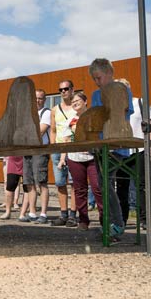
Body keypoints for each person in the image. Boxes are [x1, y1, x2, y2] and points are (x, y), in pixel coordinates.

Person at [88, 58, 132, 240]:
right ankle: (110, 223)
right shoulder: (95, 95)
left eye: (99, 78)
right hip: (101, 145)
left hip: (117, 144)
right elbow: (94, 117)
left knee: (106, 182)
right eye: (94, 79)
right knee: (102, 184)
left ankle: (117, 222)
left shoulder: (122, 90)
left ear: (109, 73)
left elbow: (124, 113)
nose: (97, 82)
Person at [114, 78, 151, 229]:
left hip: (140, 148)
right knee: (122, 185)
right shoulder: (115, 106)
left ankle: (144, 219)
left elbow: (149, 125)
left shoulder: (140, 103)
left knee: (141, 185)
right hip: (122, 150)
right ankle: (122, 219)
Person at [59, 93, 103, 230]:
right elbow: (66, 141)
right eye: (73, 102)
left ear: (85, 101)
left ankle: (105, 220)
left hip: (92, 158)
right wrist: (62, 158)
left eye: (77, 100)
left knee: (97, 188)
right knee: (79, 190)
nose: (75, 103)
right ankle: (83, 221)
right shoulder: (70, 120)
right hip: (75, 158)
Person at [19, 89, 51, 224]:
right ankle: (32, 212)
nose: (37, 101)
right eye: (35, 98)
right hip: (27, 150)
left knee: (41, 182)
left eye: (40, 98)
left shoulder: (46, 113)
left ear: (44, 100)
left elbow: (40, 131)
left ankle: (43, 213)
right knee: (29, 182)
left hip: (39, 150)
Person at [49, 79, 78, 227]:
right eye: (60, 90)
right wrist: (53, 147)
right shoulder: (54, 109)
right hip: (58, 149)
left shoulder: (77, 107)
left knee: (74, 183)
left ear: (72, 89)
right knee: (60, 183)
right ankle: (63, 214)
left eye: (66, 89)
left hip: (73, 149)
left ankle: (73, 215)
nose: (63, 92)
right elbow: (53, 130)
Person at [1, 155, 23, 220]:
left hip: (26, 159)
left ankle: (23, 213)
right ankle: (7, 212)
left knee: (27, 187)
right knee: (10, 186)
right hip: (13, 160)